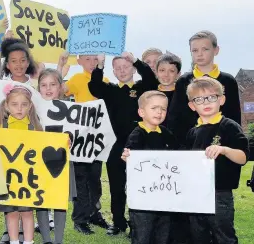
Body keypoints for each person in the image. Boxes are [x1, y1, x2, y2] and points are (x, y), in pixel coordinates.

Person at [88, 52, 158, 236]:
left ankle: (138, 223)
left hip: (141, 144)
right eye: (117, 68)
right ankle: (118, 222)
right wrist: (100, 65)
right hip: (117, 144)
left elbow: (152, 79)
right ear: (113, 71)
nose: (122, 70)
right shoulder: (110, 89)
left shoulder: (143, 87)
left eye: (126, 66)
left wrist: (136, 60)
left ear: (133, 68)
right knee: (116, 186)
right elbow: (94, 87)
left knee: (140, 185)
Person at [184, 77, 248, 243]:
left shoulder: (229, 126)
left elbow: (242, 157)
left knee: (224, 236)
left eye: (211, 97)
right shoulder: (192, 132)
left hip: (220, 194)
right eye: (199, 99)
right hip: (196, 193)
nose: (206, 102)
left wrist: (224, 150)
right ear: (192, 105)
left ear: (221, 99)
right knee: (198, 235)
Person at [57, 52, 111, 234]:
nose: (92, 62)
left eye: (95, 59)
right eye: (87, 59)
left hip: (97, 138)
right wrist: (60, 67)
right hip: (80, 138)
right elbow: (58, 90)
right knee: (80, 180)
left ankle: (94, 214)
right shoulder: (77, 78)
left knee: (95, 178)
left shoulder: (106, 80)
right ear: (79, 61)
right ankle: (80, 219)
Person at [121, 91, 179, 244]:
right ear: (141, 112)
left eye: (163, 109)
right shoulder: (136, 135)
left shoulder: (167, 134)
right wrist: (127, 158)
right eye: (154, 108)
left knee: (164, 233)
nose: (159, 112)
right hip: (143, 199)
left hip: (165, 196)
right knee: (143, 234)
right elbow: (130, 158)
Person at [167, 30, 241, 145]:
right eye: (195, 50)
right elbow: (175, 117)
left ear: (216, 50)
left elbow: (234, 116)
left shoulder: (228, 81)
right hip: (191, 145)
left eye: (205, 49)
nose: (199, 54)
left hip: (221, 145)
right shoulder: (183, 81)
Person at [0, 83, 43, 244]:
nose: (19, 109)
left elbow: (45, 149)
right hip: (8, 179)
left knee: (28, 212)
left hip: (29, 179)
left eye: (24, 104)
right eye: (14, 104)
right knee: (11, 213)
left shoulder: (35, 127)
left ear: (30, 106)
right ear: (7, 106)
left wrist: (65, 142)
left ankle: (29, 241)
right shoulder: (2, 127)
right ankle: (14, 240)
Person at [36, 69, 77, 244]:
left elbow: (78, 133)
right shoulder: (33, 109)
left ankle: (58, 240)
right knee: (41, 200)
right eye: (43, 85)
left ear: (60, 87)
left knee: (60, 201)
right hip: (39, 162)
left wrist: (71, 140)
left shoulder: (71, 109)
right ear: (38, 88)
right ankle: (46, 239)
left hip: (63, 162)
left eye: (53, 84)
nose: (48, 88)